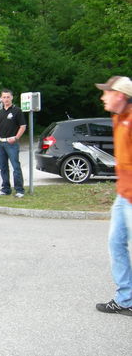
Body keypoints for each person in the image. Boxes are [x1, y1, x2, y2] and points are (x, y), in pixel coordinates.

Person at [95, 76, 132, 316]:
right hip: (123, 195)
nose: (102, 97)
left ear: (119, 95)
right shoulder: (118, 117)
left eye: (106, 92)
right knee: (115, 243)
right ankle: (126, 299)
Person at [0, 89, 26, 198]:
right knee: (3, 167)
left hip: (11, 143)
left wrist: (16, 138)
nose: (6, 99)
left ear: (11, 98)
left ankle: (19, 190)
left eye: (8, 97)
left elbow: (23, 126)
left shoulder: (17, 111)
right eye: (4, 97)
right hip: (1, 143)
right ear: (1, 98)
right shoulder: (0, 111)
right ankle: (5, 189)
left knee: (16, 166)